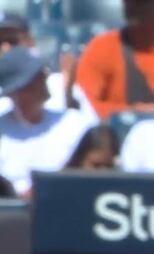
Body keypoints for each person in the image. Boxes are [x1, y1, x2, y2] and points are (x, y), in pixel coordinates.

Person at [0, 47, 95, 198]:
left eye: (42, 73)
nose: (44, 78)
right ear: (17, 90)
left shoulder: (75, 124)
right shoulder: (2, 133)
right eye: (35, 77)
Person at [0, 11, 97, 119]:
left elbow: (87, 128)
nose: (5, 48)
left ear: (30, 42)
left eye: (12, 41)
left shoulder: (58, 83)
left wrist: (68, 96)